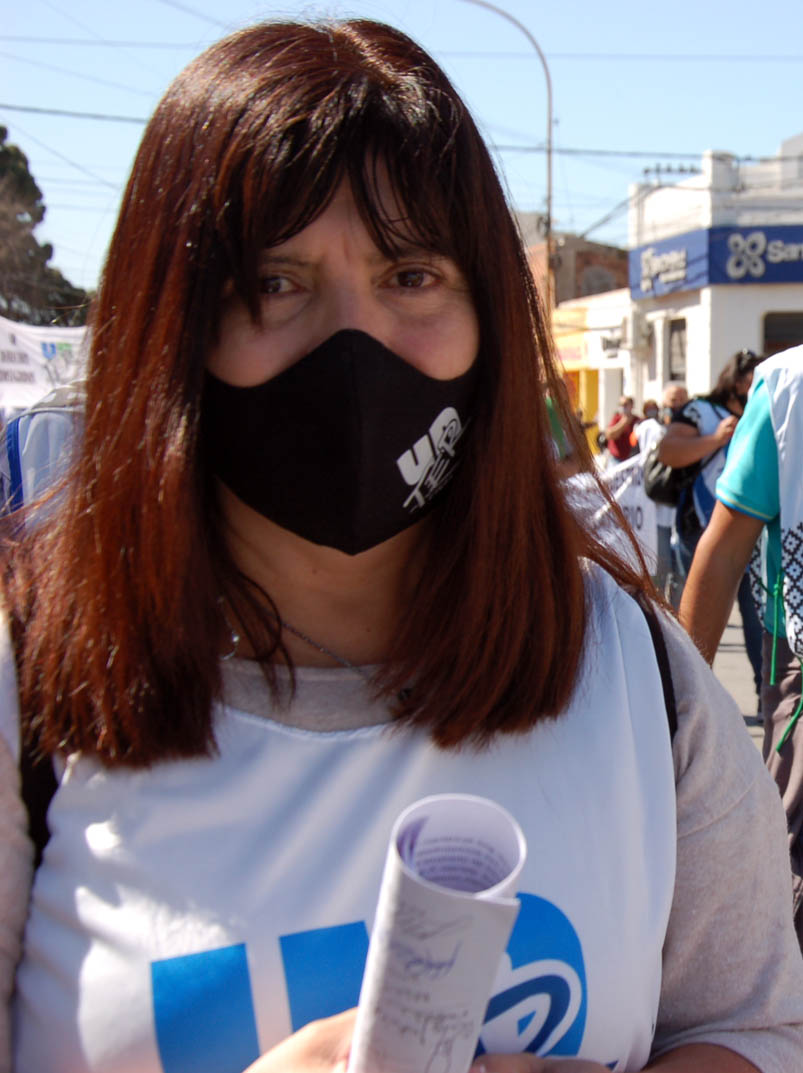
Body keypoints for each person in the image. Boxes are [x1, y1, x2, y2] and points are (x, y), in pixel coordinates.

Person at [0, 20, 801, 1073]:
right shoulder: (32, 685)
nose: (353, 343)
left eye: (411, 275)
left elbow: (751, 1028)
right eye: (272, 285)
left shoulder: (638, 679)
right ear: (177, 331)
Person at [679, 345, 803, 945]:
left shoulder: (785, 382)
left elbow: (724, 551)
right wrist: (681, 707)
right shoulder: (786, 386)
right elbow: (723, 552)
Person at [658, 350, 764, 695]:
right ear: (735, 381)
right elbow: (668, 451)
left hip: (751, 535)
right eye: (750, 378)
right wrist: (715, 439)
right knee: (700, 621)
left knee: (757, 621)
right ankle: (694, 696)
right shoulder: (699, 409)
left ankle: (765, 693)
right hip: (699, 531)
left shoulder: (762, 409)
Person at [635, 386, 688, 606]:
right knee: (658, 572)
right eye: (672, 401)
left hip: (681, 516)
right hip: (656, 514)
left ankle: (676, 622)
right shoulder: (650, 428)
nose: (676, 406)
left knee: (681, 577)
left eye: (682, 402)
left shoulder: (692, 430)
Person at [604, 395, 640, 463]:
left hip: (631, 460)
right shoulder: (616, 418)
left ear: (631, 405)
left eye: (625, 404)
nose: (623, 407)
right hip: (616, 460)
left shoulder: (637, 420)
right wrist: (623, 423)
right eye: (620, 404)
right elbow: (609, 435)